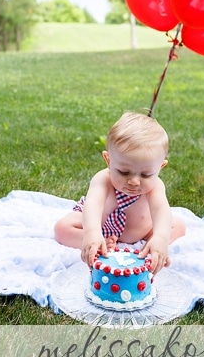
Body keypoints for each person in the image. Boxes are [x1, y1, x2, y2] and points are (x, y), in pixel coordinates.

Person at [53, 111, 186, 275]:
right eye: (124, 172)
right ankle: (97, 244)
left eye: (145, 175)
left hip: (140, 232)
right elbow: (93, 204)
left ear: (160, 167)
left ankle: (150, 245)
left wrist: (160, 238)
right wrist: (92, 232)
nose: (134, 181)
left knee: (177, 226)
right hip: (101, 226)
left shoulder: (156, 186)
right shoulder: (103, 180)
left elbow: (161, 210)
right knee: (62, 228)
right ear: (108, 160)